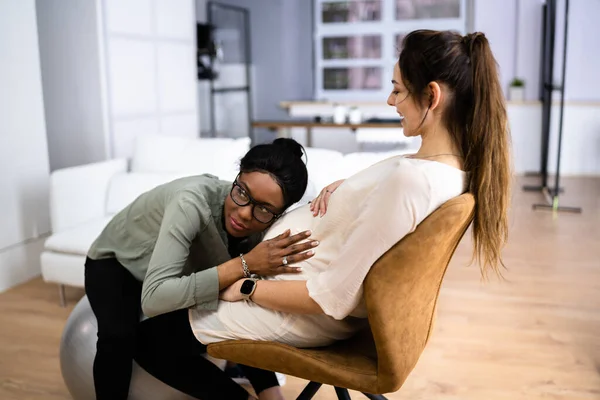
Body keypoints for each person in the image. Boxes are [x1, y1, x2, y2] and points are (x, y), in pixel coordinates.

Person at [135, 29, 511, 398]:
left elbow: (331, 297)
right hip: (290, 293)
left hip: (299, 310)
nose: (390, 101)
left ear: (432, 95)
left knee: (146, 341)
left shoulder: (411, 180)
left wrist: (247, 288)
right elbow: (387, 205)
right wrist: (350, 188)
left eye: (398, 89)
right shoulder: (446, 171)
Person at [84, 137, 316, 400]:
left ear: (281, 213)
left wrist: (336, 189)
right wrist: (246, 264)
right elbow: (154, 298)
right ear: (237, 176)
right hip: (119, 261)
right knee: (120, 337)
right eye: (242, 192)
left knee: (238, 312)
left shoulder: (269, 225)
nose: (244, 214)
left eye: (263, 209)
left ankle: (271, 396)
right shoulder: (191, 202)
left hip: (178, 273)